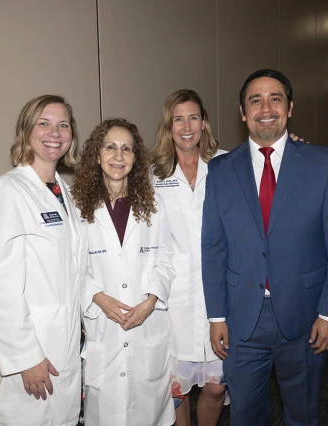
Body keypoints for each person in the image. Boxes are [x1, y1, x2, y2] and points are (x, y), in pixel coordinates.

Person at [201, 69, 328, 425]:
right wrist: (216, 316)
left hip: (305, 315)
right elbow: (213, 246)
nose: (266, 108)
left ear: (290, 107)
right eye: (255, 100)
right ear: (242, 112)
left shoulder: (324, 163)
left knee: (304, 412)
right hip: (241, 319)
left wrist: (326, 310)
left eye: (275, 98)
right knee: (246, 415)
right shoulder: (219, 171)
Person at [0, 95, 87, 426]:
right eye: (44, 123)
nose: (55, 132)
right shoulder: (7, 192)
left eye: (63, 125)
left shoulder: (63, 193)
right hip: (31, 352)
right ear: (26, 131)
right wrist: (25, 358)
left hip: (64, 345)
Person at [72, 118, 176, 426]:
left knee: (148, 414)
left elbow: (167, 258)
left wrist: (151, 301)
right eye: (111, 147)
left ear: (136, 158)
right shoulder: (77, 205)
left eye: (127, 149)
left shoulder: (154, 203)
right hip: (103, 328)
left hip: (147, 324)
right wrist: (98, 297)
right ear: (97, 154)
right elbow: (73, 265)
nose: (119, 156)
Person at [150, 89, 228, 426]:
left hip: (218, 296)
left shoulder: (226, 164)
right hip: (171, 298)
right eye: (178, 119)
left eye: (193, 117)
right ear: (168, 126)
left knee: (215, 386)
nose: (186, 126)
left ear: (204, 123)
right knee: (175, 387)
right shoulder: (152, 174)